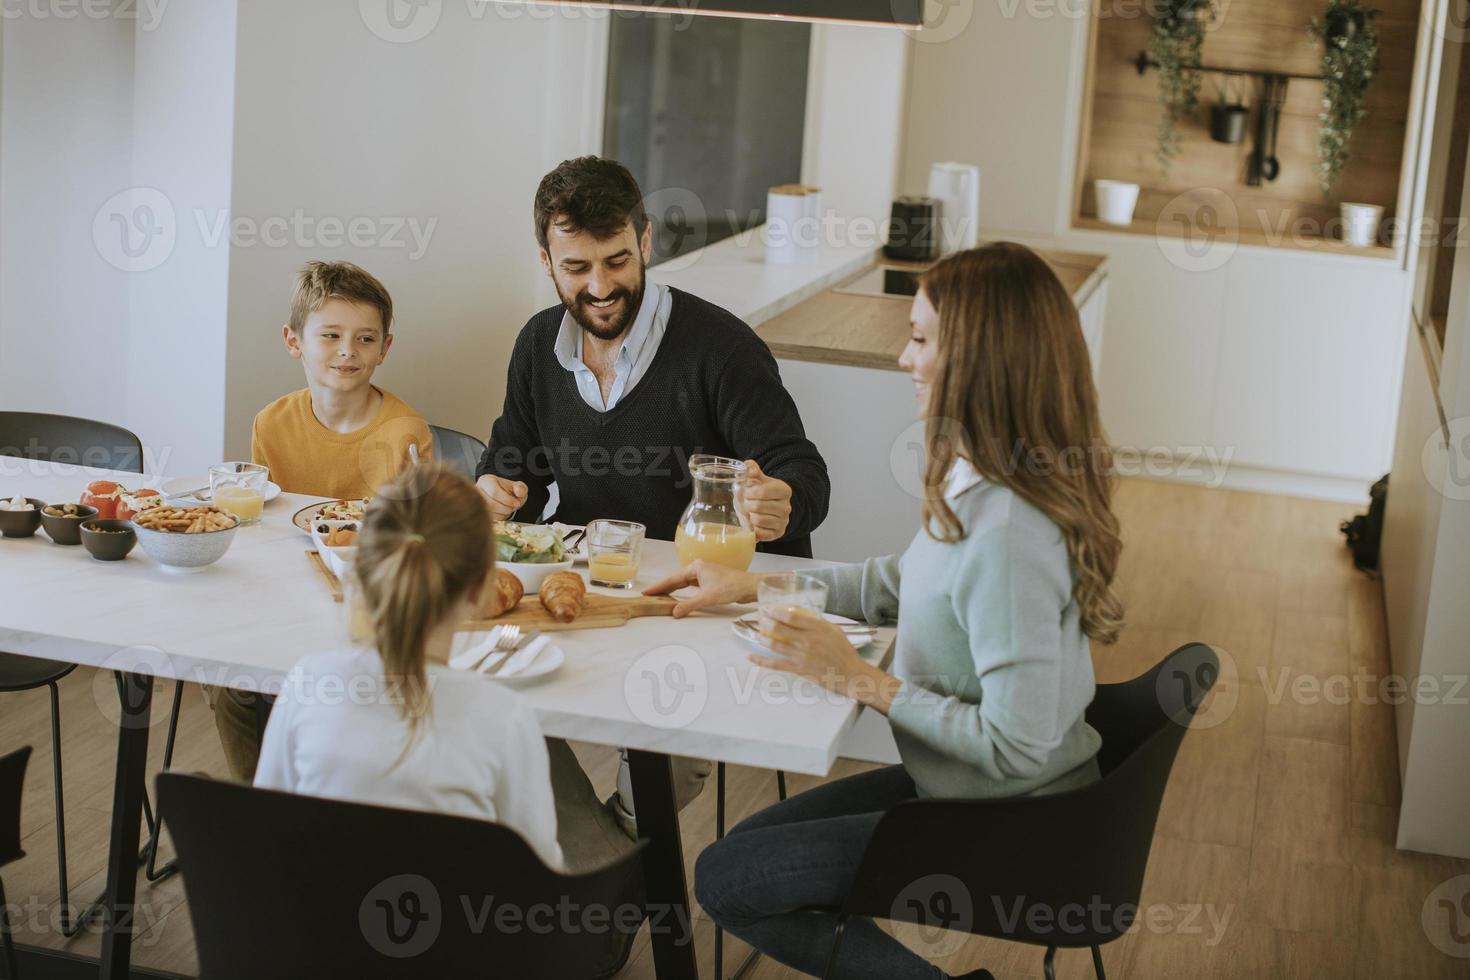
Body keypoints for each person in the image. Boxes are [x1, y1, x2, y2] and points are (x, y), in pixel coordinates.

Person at [646, 243, 1126, 980]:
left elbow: (1019, 744)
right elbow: (901, 580)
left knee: (727, 882)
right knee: (739, 861)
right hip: (963, 787)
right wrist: (755, 587)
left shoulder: (1007, 532)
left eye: (923, 338)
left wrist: (859, 680)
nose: (905, 358)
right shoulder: (984, 475)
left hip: (1013, 819)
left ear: (980, 357)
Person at [475, 156, 832, 838]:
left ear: (645, 241)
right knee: (487, 695)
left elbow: (800, 470)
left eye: (616, 261)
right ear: (546, 261)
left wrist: (784, 497)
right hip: (585, 590)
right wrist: (496, 487)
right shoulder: (534, 346)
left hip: (695, 601)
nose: (601, 287)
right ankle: (606, 873)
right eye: (576, 268)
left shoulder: (720, 348)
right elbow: (516, 465)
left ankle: (605, 873)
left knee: (670, 746)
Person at [254, 462, 562, 870]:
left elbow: (264, 832)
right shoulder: (504, 719)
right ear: (480, 589)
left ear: (363, 569)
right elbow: (539, 874)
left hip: (311, 927)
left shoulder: (307, 684)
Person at [209, 259, 435, 784]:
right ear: (294, 341)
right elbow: (264, 521)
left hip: (368, 608)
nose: (347, 352)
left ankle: (325, 805)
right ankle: (265, 810)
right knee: (227, 680)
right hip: (282, 594)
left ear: (385, 348)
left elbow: (415, 541)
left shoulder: (404, 431)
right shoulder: (272, 422)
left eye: (364, 338)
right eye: (330, 335)